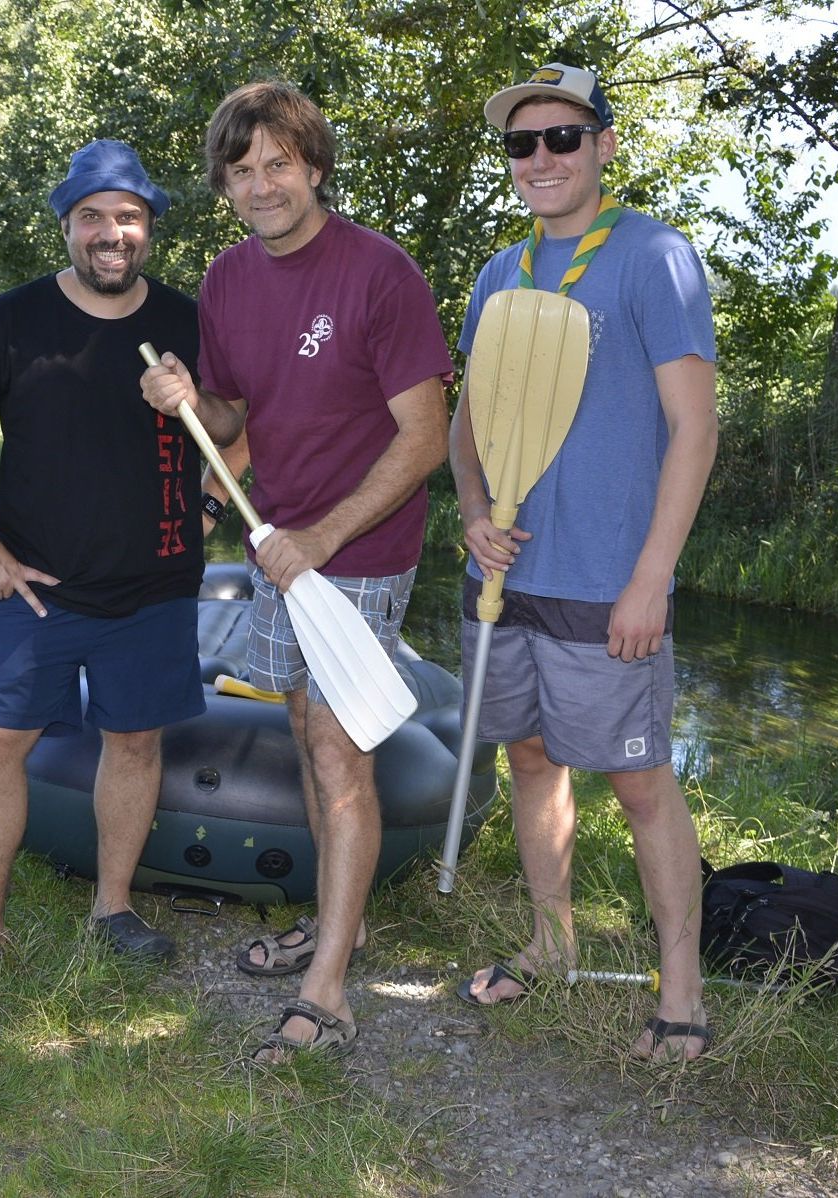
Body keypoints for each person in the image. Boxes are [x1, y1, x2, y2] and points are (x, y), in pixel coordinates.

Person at [141, 83, 452, 1060]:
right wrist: (184, 398)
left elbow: (425, 437)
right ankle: (340, 920)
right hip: (276, 541)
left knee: (334, 750)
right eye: (240, 171)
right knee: (305, 728)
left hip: (356, 546)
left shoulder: (378, 273)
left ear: (313, 167)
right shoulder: (227, 282)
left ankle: (329, 987)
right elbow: (233, 420)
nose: (260, 185)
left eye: (277, 163)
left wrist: (323, 536)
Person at [448, 64, 719, 1061]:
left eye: (563, 137)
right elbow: (466, 426)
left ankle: (681, 990)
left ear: (603, 145)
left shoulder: (655, 259)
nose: (542, 158)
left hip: (609, 579)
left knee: (641, 783)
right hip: (507, 579)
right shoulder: (498, 273)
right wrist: (475, 514)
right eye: (522, 144)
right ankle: (552, 939)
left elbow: (693, 429)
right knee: (529, 759)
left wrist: (651, 576)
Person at [0, 140, 204, 991]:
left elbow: (236, 417)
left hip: (155, 584)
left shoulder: (185, 321)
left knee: (135, 741)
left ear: (148, 228)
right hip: (34, 587)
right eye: (93, 218)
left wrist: (213, 504)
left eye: (128, 217)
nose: (112, 233)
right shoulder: (14, 320)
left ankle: (113, 907)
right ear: (67, 227)